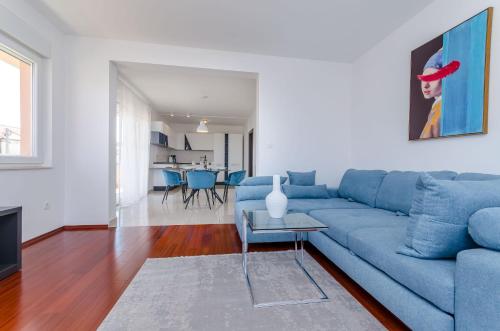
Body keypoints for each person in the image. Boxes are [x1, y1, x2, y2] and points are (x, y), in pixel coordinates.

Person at [417, 49, 460, 139]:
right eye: (424, 79)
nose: (425, 85)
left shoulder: (441, 108)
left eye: (433, 78)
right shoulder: (438, 105)